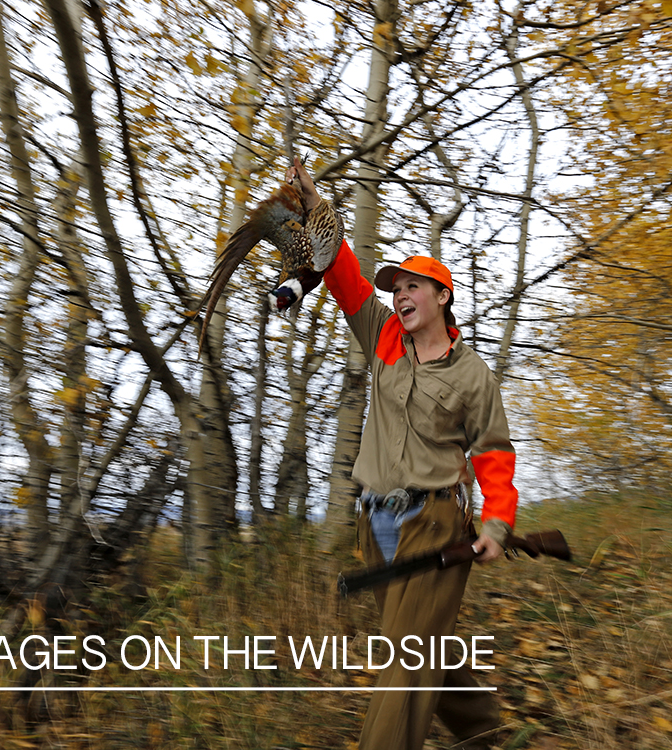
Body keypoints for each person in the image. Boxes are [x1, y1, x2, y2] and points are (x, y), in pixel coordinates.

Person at [288, 158, 519, 750]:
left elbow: (494, 453)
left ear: (442, 296)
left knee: (404, 667)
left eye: (412, 285)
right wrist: (318, 208)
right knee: (419, 648)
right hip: (379, 525)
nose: (400, 295)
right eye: (396, 288)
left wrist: (496, 522)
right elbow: (345, 280)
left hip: (436, 525)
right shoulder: (385, 338)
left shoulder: (472, 377)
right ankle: (487, 735)